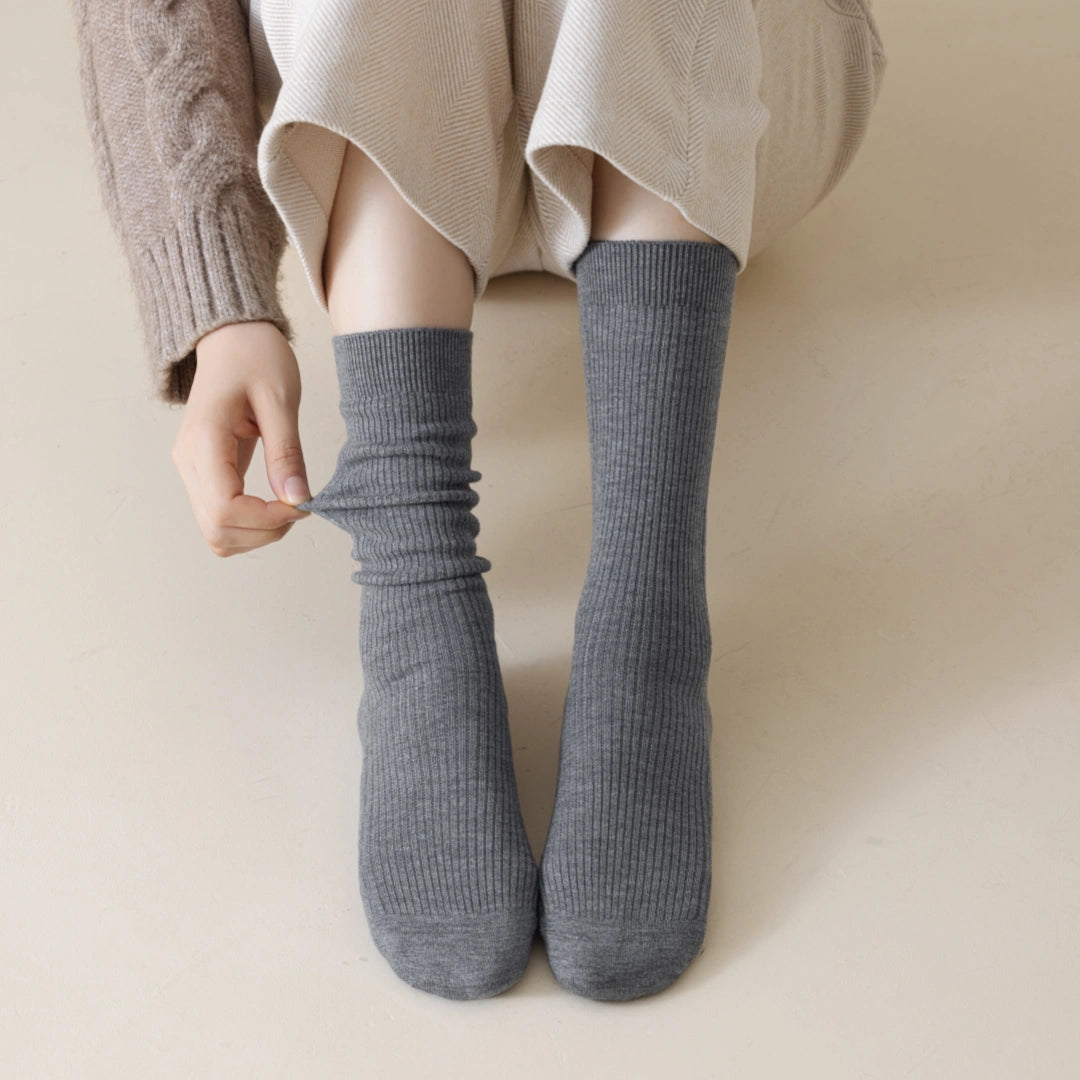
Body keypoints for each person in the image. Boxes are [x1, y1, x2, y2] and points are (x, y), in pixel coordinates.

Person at [68, 0, 887, 1002]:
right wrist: (219, 303)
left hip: (723, 118)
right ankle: (416, 586)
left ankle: (649, 603)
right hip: (378, 141)